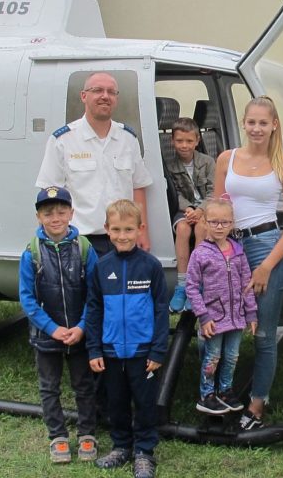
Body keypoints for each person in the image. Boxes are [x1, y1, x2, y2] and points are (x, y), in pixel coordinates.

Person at [213, 95, 283, 430]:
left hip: (267, 245)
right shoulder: (227, 159)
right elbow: (217, 207)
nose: (256, 128)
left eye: (263, 122)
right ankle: (221, 395)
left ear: (274, 125)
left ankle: (256, 404)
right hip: (230, 245)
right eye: (251, 122)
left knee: (264, 334)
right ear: (243, 123)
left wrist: (266, 266)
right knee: (228, 327)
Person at [85, 200, 169, 478]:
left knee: (145, 403)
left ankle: (144, 451)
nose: (123, 236)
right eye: (117, 229)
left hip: (142, 353)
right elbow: (94, 309)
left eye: (129, 229)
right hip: (110, 352)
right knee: (116, 402)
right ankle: (121, 445)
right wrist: (94, 348)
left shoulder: (151, 266)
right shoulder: (101, 267)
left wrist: (157, 351)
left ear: (140, 229)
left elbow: (160, 310)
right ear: (107, 230)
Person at [18, 186, 100, 464]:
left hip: (79, 334)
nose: (56, 217)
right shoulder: (31, 252)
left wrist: (81, 327)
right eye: (48, 212)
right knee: (49, 387)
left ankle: (88, 433)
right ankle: (58, 436)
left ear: (71, 213)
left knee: (84, 385)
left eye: (61, 211)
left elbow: (94, 293)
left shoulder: (85, 248)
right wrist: (52, 328)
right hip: (46, 336)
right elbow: (27, 299)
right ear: (39, 217)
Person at [36, 72, 153, 256]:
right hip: (79, 242)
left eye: (111, 92)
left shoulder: (128, 139)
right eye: (97, 90)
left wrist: (142, 232)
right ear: (84, 96)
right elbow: (50, 194)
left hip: (122, 240)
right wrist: (50, 241)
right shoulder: (63, 140)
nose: (105, 96)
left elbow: (138, 186)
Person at [184, 197, 257, 415]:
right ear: (205, 222)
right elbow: (191, 287)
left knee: (232, 356)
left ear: (232, 223)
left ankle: (225, 390)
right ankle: (207, 394)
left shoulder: (237, 251)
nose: (219, 226)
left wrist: (251, 313)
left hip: (236, 318)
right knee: (212, 357)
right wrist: (203, 317)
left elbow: (246, 283)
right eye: (214, 221)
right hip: (213, 319)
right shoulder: (200, 254)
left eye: (224, 222)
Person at [165, 117, 216, 313]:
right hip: (184, 209)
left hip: (206, 208)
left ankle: (198, 282)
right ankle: (182, 284)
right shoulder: (170, 165)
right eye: (179, 141)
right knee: (183, 228)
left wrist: (201, 210)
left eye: (188, 141)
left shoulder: (208, 162)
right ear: (172, 142)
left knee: (202, 227)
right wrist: (188, 209)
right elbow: (174, 192)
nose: (184, 145)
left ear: (197, 141)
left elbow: (213, 191)